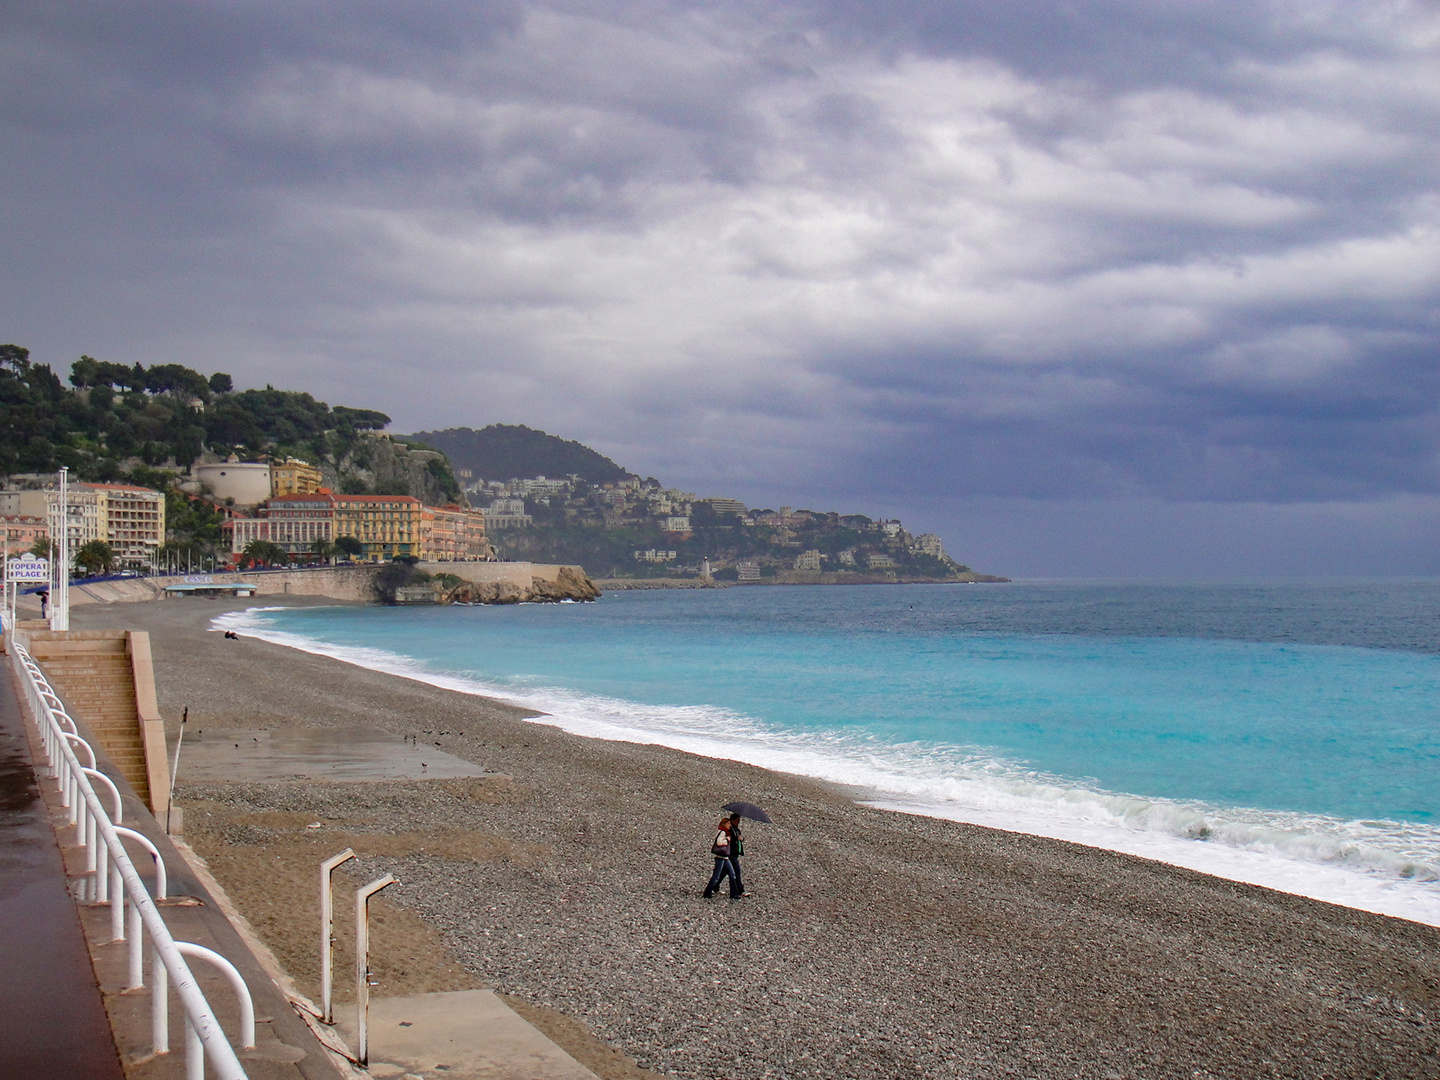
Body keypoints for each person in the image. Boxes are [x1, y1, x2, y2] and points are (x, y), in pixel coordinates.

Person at [702, 817, 740, 898]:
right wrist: (726, 840)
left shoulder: (726, 832)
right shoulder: (723, 832)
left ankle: (734, 893)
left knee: (732, 874)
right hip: (720, 857)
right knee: (716, 876)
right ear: (724, 824)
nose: (730, 825)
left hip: (725, 857)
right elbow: (719, 843)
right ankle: (707, 892)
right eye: (728, 823)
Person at [726, 812, 746, 897]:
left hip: (735, 853)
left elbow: (739, 838)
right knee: (736, 872)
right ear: (732, 820)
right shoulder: (729, 829)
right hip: (731, 854)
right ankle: (739, 890)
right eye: (737, 821)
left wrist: (741, 839)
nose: (738, 823)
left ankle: (715, 886)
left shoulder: (737, 829)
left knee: (723, 872)